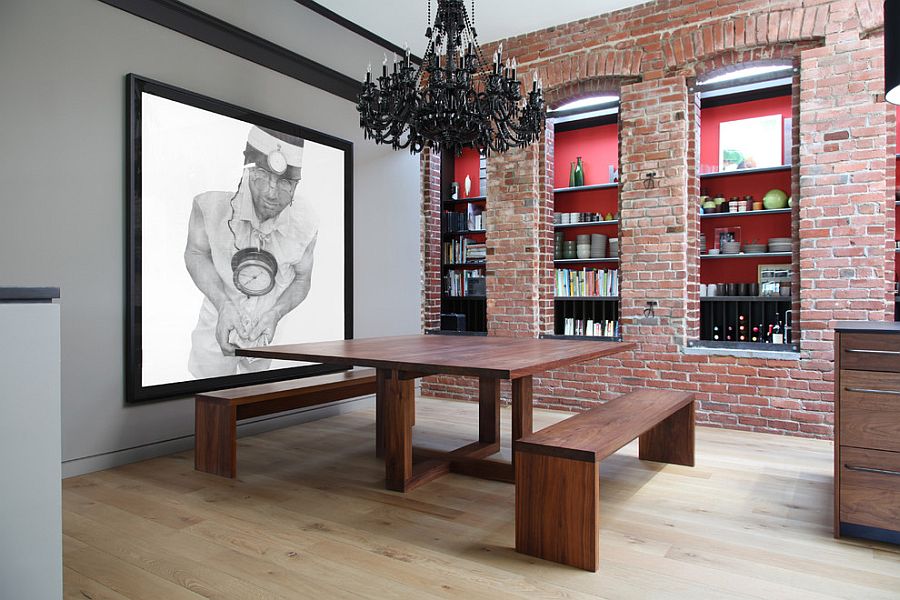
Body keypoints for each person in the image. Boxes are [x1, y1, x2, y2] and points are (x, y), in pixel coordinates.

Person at [184, 125, 318, 378]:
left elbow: (303, 278)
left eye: (285, 183)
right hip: (215, 323)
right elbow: (195, 253)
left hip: (269, 333)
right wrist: (223, 304)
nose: (271, 192)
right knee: (206, 397)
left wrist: (275, 314)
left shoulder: (307, 223)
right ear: (248, 168)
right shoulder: (211, 203)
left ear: (297, 184)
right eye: (262, 177)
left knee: (259, 401)